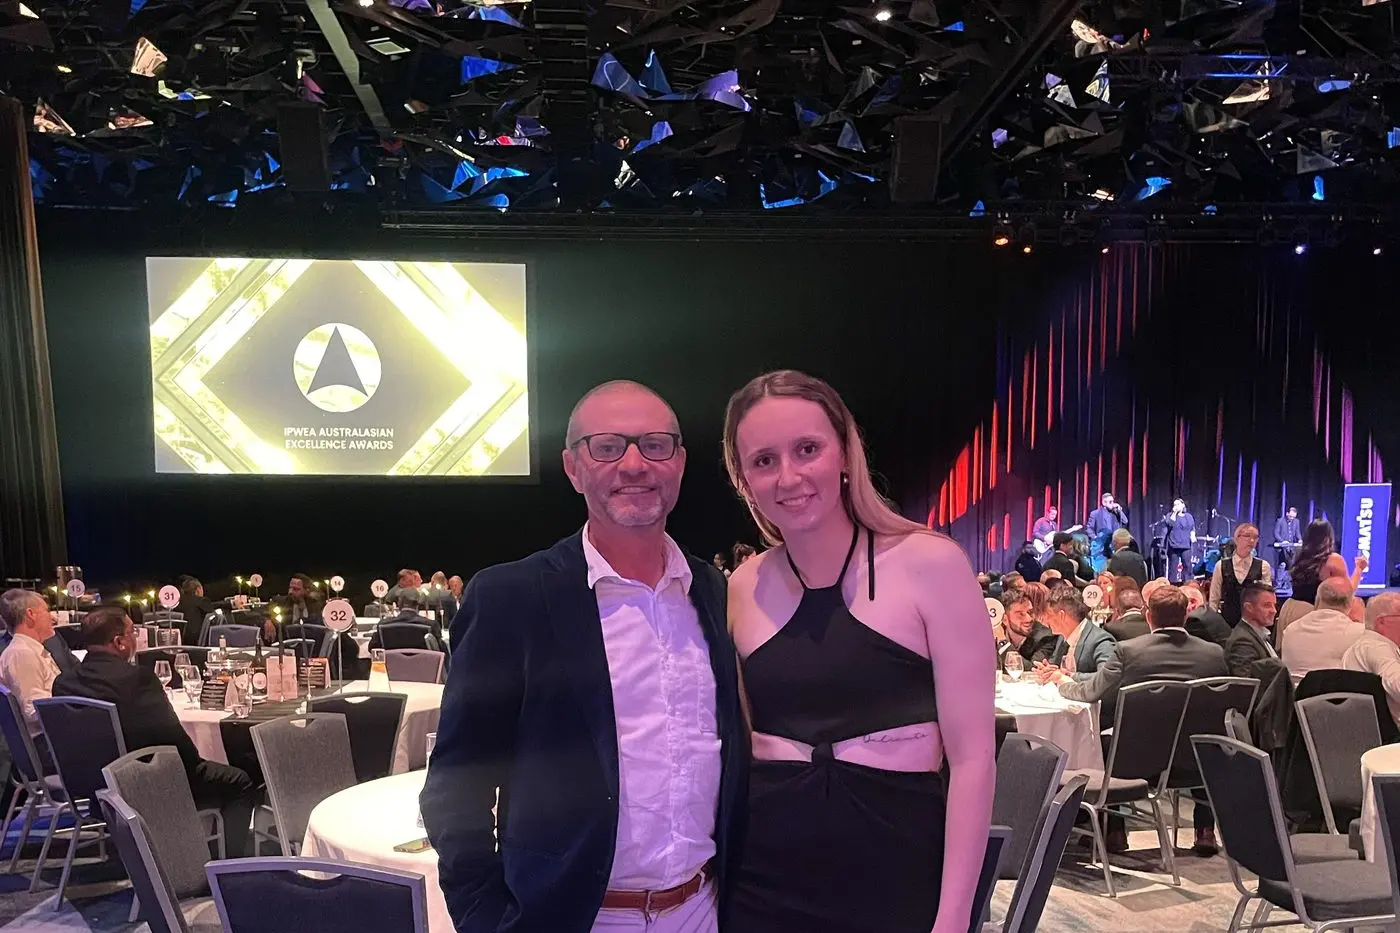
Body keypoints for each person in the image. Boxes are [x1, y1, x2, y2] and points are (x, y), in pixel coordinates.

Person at [422, 381, 744, 933]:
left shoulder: (712, 591)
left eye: (656, 445)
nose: (635, 464)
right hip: (576, 919)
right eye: (607, 447)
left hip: (703, 911)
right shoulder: (511, 597)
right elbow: (457, 786)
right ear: (573, 468)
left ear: (681, 462)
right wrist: (487, 920)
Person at [722, 370, 994, 933]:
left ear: (845, 453)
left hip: (898, 873)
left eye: (807, 449)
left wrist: (953, 921)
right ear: (743, 478)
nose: (789, 476)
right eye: (763, 460)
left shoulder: (931, 564)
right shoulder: (742, 588)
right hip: (765, 883)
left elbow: (973, 762)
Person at [53, 607, 259, 856]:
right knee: (240, 782)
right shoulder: (137, 679)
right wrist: (197, 763)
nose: (135, 638)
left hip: (90, 785)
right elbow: (172, 739)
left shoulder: (64, 682)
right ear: (118, 642)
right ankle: (223, 867)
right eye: (132, 632)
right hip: (139, 785)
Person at [1058, 586, 1228, 854]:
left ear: (1149, 616)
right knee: (1198, 726)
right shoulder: (1214, 654)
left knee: (1100, 741)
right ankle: (1204, 830)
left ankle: (1114, 830)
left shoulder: (1128, 651)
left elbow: (1091, 692)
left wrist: (1062, 683)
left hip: (1136, 762)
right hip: (1198, 760)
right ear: (1185, 616)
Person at [1277, 519, 1368, 647]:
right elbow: (1347, 592)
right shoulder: (1333, 560)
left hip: (1290, 609)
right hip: (1311, 615)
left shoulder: (1299, 556)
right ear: (1328, 537)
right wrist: (1359, 569)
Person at [0, 589, 59, 745]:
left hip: (50, 738)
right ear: (31, 614)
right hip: (46, 744)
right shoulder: (22, 654)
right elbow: (33, 710)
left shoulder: (28, 650)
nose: (53, 617)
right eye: (47, 611)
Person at [1280, 578, 1365, 678]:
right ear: (1350, 604)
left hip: (1294, 692)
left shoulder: (1290, 630)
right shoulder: (1359, 633)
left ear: (1318, 599)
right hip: (1337, 692)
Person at [1031, 588, 1118, 686]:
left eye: (1049, 615)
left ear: (1061, 616)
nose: (1045, 620)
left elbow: (1107, 677)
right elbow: (1056, 667)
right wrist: (1048, 671)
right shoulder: (1062, 637)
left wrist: (1070, 676)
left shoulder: (1101, 641)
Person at [1342, 591, 1400, 726]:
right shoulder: (1376, 647)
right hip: (1390, 738)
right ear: (1381, 621)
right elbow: (1397, 686)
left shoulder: (1364, 646)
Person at [1208, 523, 1273, 625]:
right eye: (1247, 536)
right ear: (1236, 538)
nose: (1252, 541)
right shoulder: (1221, 566)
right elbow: (1214, 599)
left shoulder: (1263, 566)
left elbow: (1268, 599)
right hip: (1226, 624)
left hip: (1253, 624)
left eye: (1255, 537)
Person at [1225, 583, 1280, 677]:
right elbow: (1247, 685)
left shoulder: (1260, 634)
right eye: (1267, 605)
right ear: (1249, 608)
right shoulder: (1242, 641)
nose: (1274, 611)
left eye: (1274, 605)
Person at [1000, 590, 1058, 665]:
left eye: (1030, 612)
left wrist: (1003, 643)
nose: (1029, 619)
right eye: (1020, 614)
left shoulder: (1046, 637)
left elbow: (1033, 670)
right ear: (1005, 619)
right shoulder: (994, 633)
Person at [1162, 499, 1196, 584]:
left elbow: (1192, 527)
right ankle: (1172, 585)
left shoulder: (1188, 516)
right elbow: (1170, 524)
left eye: (1178, 504)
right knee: (1173, 567)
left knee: (1187, 566)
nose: (1176, 506)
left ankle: (1188, 584)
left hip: (1186, 545)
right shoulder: (1170, 515)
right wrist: (1174, 513)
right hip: (1174, 545)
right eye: (1174, 505)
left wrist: (1193, 535)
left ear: (1183, 505)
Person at [1273, 507, 1302, 573]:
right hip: (1282, 546)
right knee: (1282, 565)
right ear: (1287, 513)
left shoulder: (1296, 521)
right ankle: (1279, 582)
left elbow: (1297, 532)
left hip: (1291, 547)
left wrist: (1300, 539)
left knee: (1292, 564)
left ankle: (1288, 581)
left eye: (1293, 517)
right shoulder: (1280, 521)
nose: (1292, 518)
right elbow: (1276, 533)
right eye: (1291, 516)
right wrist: (1282, 541)